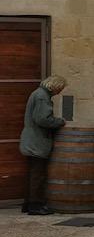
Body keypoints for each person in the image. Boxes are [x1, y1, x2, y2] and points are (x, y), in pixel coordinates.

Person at [19, 75, 67, 215]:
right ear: (55, 86)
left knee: (32, 173)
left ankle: (28, 204)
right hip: (37, 142)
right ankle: (36, 206)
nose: (60, 92)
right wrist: (59, 122)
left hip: (30, 141)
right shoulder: (42, 96)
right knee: (37, 175)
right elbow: (42, 119)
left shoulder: (37, 93)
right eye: (60, 89)